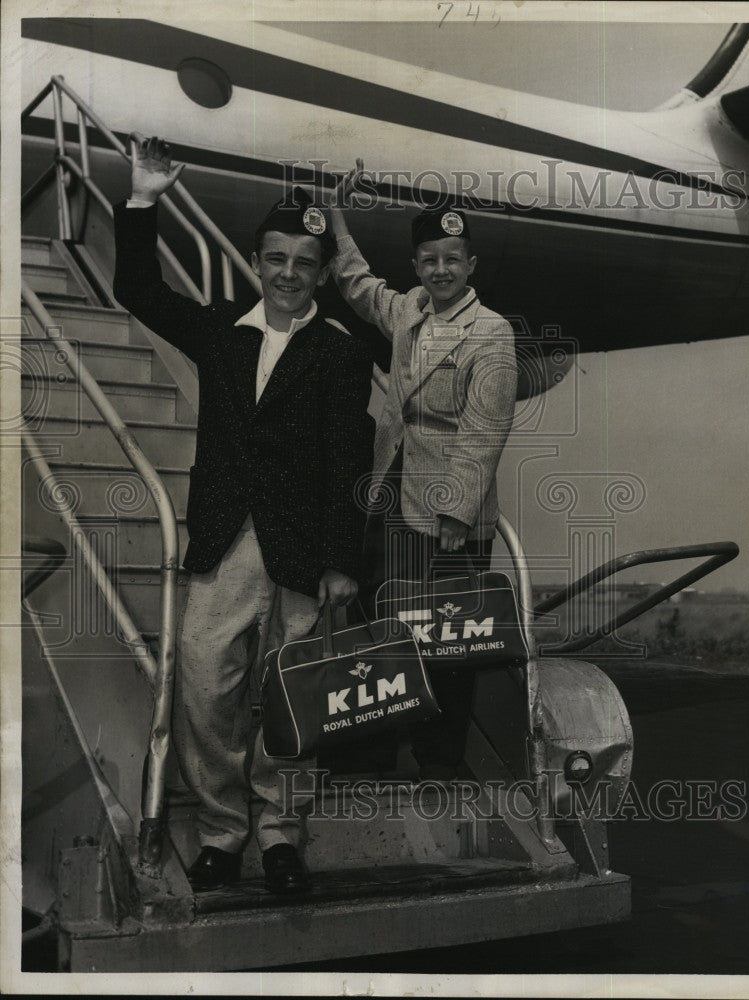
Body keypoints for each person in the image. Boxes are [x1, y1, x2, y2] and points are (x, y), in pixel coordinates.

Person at [113, 135, 375, 894]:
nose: (288, 274)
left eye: (303, 263)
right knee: (204, 682)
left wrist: (341, 561)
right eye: (276, 259)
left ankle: (282, 833)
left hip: (302, 551)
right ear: (257, 263)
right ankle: (224, 831)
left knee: (295, 692)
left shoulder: (340, 349)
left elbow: (349, 461)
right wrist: (141, 198)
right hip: (227, 539)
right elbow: (140, 290)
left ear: (322, 273)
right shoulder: (221, 332)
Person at [329, 162, 517, 780]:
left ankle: (441, 762)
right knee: (392, 625)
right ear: (417, 266)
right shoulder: (408, 311)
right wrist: (335, 216)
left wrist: (457, 512)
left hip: (449, 513)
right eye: (429, 259)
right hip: (394, 496)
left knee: (449, 639)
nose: (440, 270)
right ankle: (376, 754)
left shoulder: (491, 333)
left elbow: (484, 430)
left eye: (452, 259)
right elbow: (356, 283)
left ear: (471, 266)